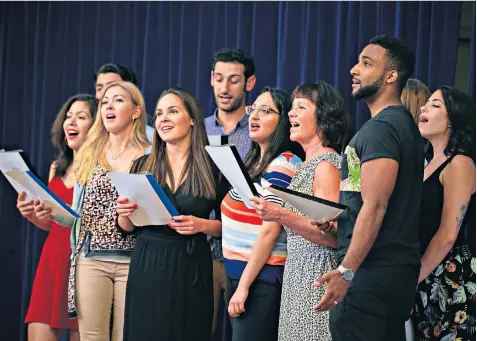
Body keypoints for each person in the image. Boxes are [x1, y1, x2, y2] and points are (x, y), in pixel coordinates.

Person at [313, 35, 423, 341]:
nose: (353, 69)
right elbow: (371, 202)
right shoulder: (404, 128)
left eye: (366, 63)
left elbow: (376, 206)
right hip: (390, 276)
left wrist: (346, 271)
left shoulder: (381, 130)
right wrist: (342, 219)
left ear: (391, 76)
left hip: (369, 276)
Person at [35, 81, 150, 341]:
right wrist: (48, 211)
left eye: (118, 99)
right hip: (91, 258)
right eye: (105, 100)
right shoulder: (90, 151)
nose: (108, 104)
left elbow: (153, 216)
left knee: (125, 336)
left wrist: (129, 215)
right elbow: (77, 215)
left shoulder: (151, 154)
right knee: (91, 337)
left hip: (134, 261)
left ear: (135, 111)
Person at [116, 87, 229, 340]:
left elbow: (231, 225)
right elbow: (126, 228)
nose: (163, 119)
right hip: (148, 263)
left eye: (172, 111)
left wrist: (202, 225)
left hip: (192, 266)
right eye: (158, 114)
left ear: (191, 119)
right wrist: (123, 213)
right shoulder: (140, 165)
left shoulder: (214, 168)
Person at [250, 82, 351, 341]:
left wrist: (279, 214)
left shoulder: (327, 164)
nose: (291, 114)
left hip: (316, 282)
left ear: (324, 120)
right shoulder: (306, 164)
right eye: (291, 108)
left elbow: (332, 237)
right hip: (298, 279)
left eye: (301, 107)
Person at [222, 87, 303, 341]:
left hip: (262, 280)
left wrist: (244, 287)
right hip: (239, 275)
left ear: (283, 121)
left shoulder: (285, 163)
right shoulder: (254, 161)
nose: (254, 116)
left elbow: (270, 229)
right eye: (253, 109)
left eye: (265, 110)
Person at [18, 94, 97, 341]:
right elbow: (51, 224)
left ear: (95, 128)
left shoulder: (103, 169)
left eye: (81, 117)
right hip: (53, 260)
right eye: (68, 117)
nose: (70, 122)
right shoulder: (57, 167)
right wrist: (32, 215)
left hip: (85, 263)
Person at [411, 86, 475, 340]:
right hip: (424, 272)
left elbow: (448, 234)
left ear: (453, 120)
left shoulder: (460, 162)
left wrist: (412, 279)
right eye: (425, 103)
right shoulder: (425, 163)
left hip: (449, 277)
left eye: (435, 105)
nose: (424, 108)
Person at [204, 47, 257, 337]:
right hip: (203, 250)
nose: (224, 88)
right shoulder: (198, 129)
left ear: (249, 83)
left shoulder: (260, 128)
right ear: (211, 78)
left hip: (246, 250)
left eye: (234, 80)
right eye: (219, 78)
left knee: (244, 331)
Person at [94, 62, 155, 142]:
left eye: (111, 86)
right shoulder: (90, 135)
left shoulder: (151, 138)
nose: (104, 93)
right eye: (99, 88)